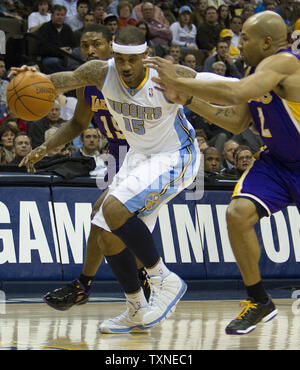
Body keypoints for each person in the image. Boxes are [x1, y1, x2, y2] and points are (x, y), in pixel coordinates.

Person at [14, 25, 200, 334]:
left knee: (111, 214)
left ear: (111, 47)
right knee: (103, 221)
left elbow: (197, 84)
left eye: (95, 43)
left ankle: (141, 280)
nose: (88, 49)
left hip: (157, 150)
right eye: (84, 44)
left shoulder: (140, 75)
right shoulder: (90, 81)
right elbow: (75, 119)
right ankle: (132, 300)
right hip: (122, 153)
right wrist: (45, 142)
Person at [144, 10, 300, 335]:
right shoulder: (254, 69)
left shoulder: (286, 63)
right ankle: (259, 300)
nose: (239, 43)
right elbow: (237, 121)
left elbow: (234, 93)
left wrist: (175, 79)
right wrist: (188, 98)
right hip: (278, 163)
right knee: (238, 214)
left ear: (267, 42)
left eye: (245, 37)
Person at [36, 4, 77, 73]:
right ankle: (67, 75)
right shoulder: (45, 28)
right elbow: (42, 49)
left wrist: (69, 50)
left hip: (66, 58)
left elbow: (74, 46)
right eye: (57, 15)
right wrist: (59, 50)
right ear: (52, 16)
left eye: (62, 15)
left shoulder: (67, 28)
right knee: (54, 62)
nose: (60, 17)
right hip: (48, 58)